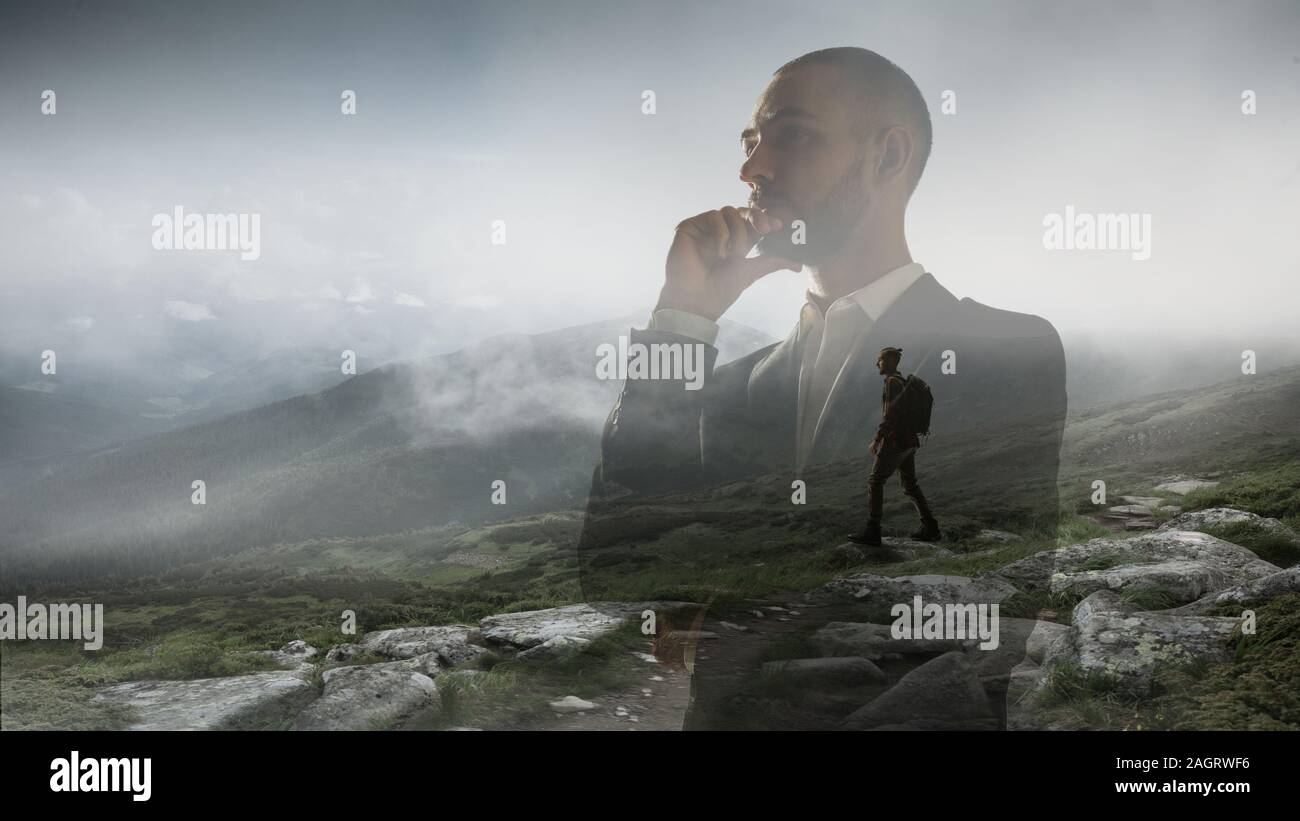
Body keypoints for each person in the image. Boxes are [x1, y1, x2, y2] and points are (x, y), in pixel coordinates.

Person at [578, 47, 1067, 730]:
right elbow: (618, 573)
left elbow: (981, 600)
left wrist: (726, 599)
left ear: (888, 157)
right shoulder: (727, 386)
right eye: (750, 143)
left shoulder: (1006, 349)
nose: (752, 169)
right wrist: (682, 318)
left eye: (792, 134)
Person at [847, 346, 940, 547]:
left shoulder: (891, 383)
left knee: (875, 481)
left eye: (879, 360)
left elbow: (890, 415)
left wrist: (878, 439)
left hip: (896, 442)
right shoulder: (903, 382)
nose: (876, 364)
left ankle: (873, 530)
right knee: (910, 485)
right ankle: (931, 527)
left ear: (889, 361)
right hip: (910, 442)